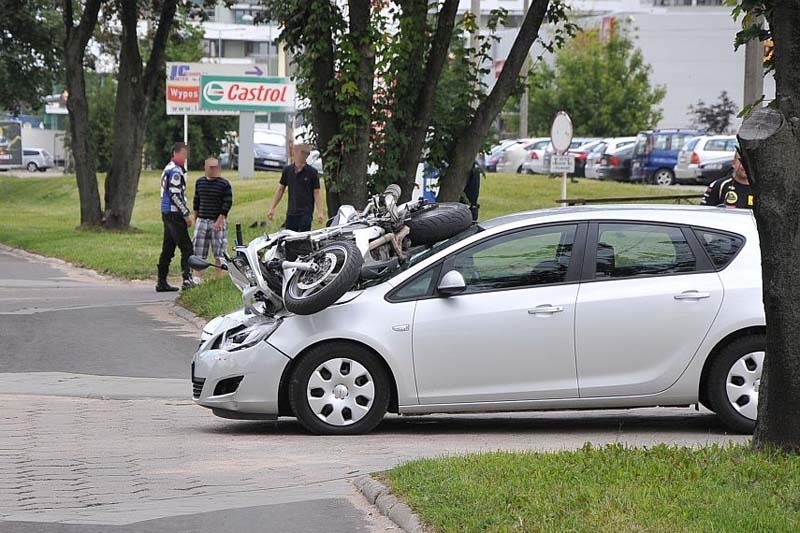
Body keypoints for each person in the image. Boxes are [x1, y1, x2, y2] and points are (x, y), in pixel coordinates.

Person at [156, 142, 194, 292]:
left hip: (166, 213)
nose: (185, 158)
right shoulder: (175, 171)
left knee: (168, 247)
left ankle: (161, 281)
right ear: (176, 154)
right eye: (184, 154)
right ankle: (187, 279)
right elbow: (175, 194)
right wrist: (186, 214)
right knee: (187, 247)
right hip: (174, 213)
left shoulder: (168, 168)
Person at [266, 144, 324, 231]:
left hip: (306, 212)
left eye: (305, 153)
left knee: (303, 238)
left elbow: (316, 192)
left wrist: (320, 212)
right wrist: (272, 208)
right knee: (290, 238)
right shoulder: (287, 170)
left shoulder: (312, 172)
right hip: (291, 212)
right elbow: (281, 189)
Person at [192, 157, 233, 280]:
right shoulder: (200, 182)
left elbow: (227, 203)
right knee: (198, 250)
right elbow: (196, 201)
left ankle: (219, 278)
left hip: (217, 220)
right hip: (202, 219)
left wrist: (220, 220)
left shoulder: (224, 184)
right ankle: (197, 278)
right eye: (211, 168)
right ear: (205, 168)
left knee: (219, 252)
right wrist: (195, 218)